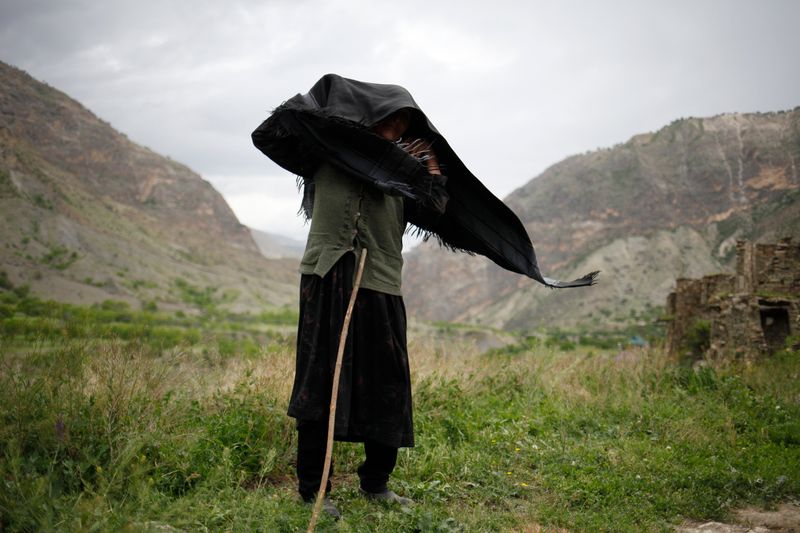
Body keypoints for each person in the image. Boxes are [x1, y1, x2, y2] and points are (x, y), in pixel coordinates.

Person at [251, 74, 597, 517]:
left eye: (405, 124)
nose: (398, 129)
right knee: (322, 381)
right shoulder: (325, 151)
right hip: (327, 277)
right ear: (371, 116)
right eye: (391, 120)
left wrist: (429, 162)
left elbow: (437, 206)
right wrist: (323, 104)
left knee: (388, 384)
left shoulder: (404, 175)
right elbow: (269, 133)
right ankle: (312, 490)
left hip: (380, 283)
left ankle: (376, 483)